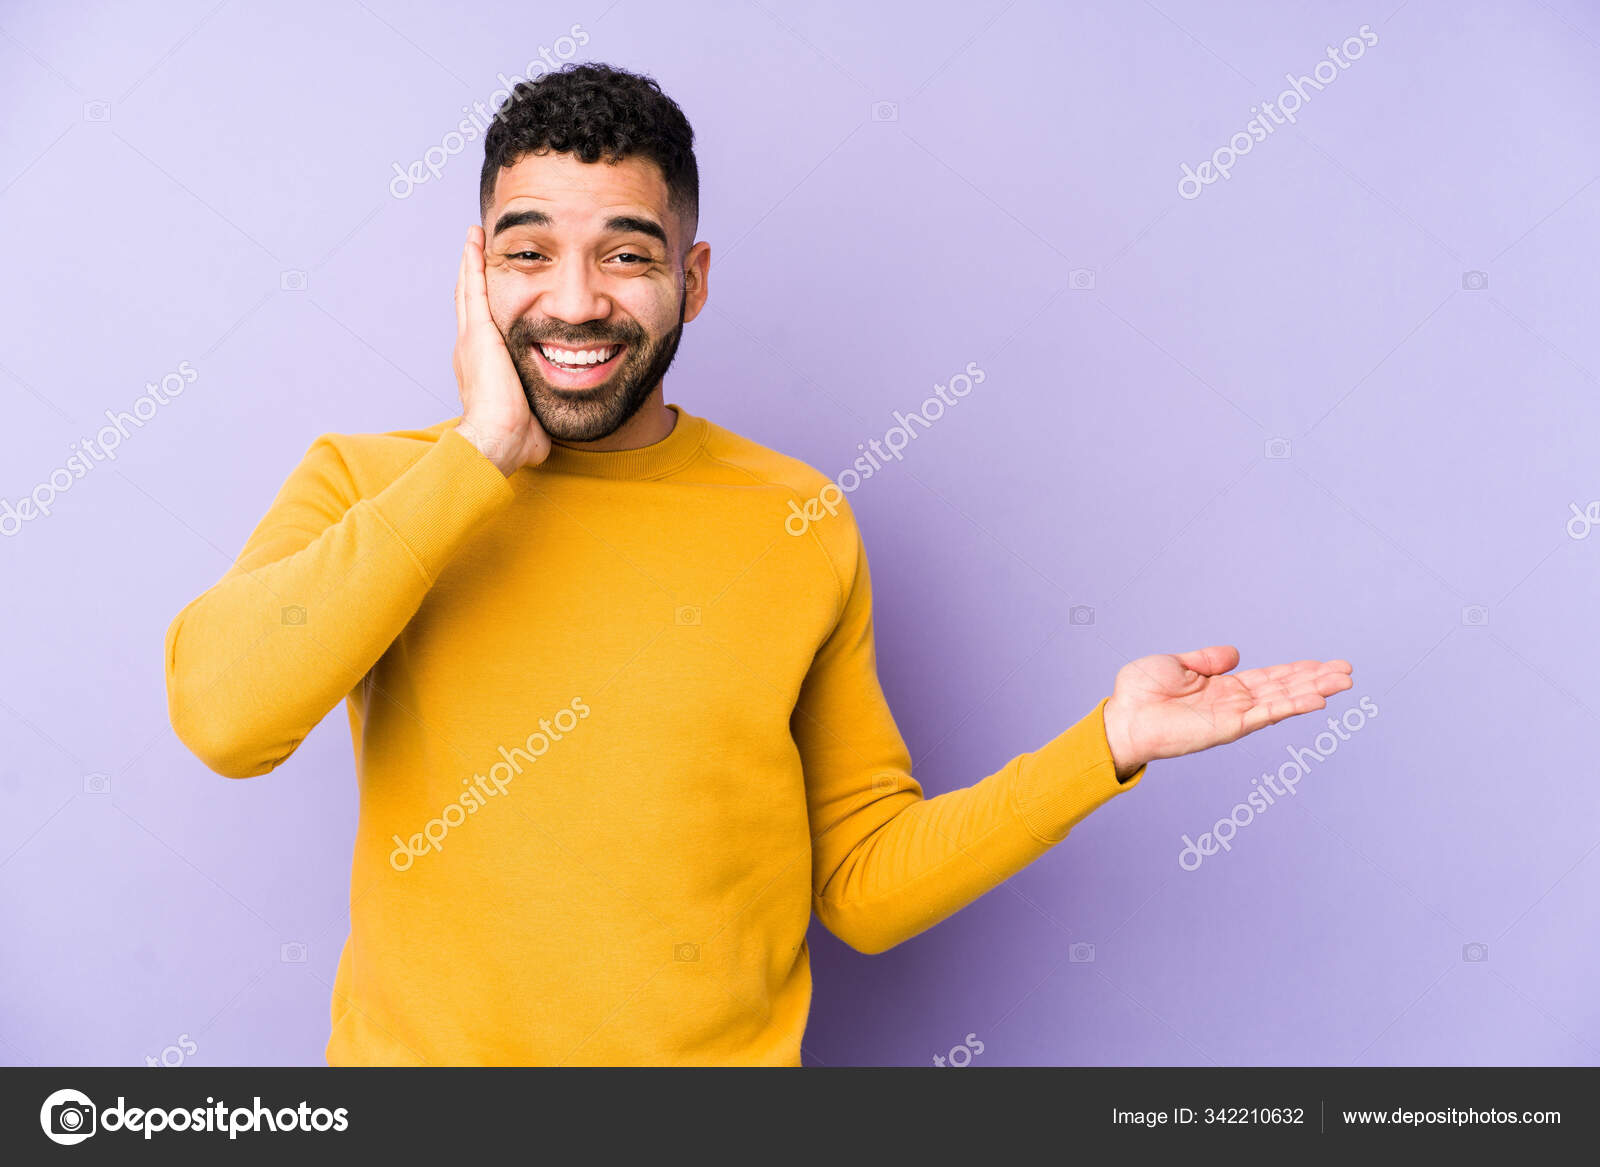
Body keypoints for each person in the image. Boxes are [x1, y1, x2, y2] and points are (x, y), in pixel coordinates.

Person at [164, 62, 1353, 1066]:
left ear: (693, 278)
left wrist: (1103, 749)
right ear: (478, 273)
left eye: (628, 257)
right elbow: (226, 720)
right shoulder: (374, 484)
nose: (574, 301)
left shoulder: (796, 518)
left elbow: (866, 888)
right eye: (529, 253)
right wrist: (482, 451)